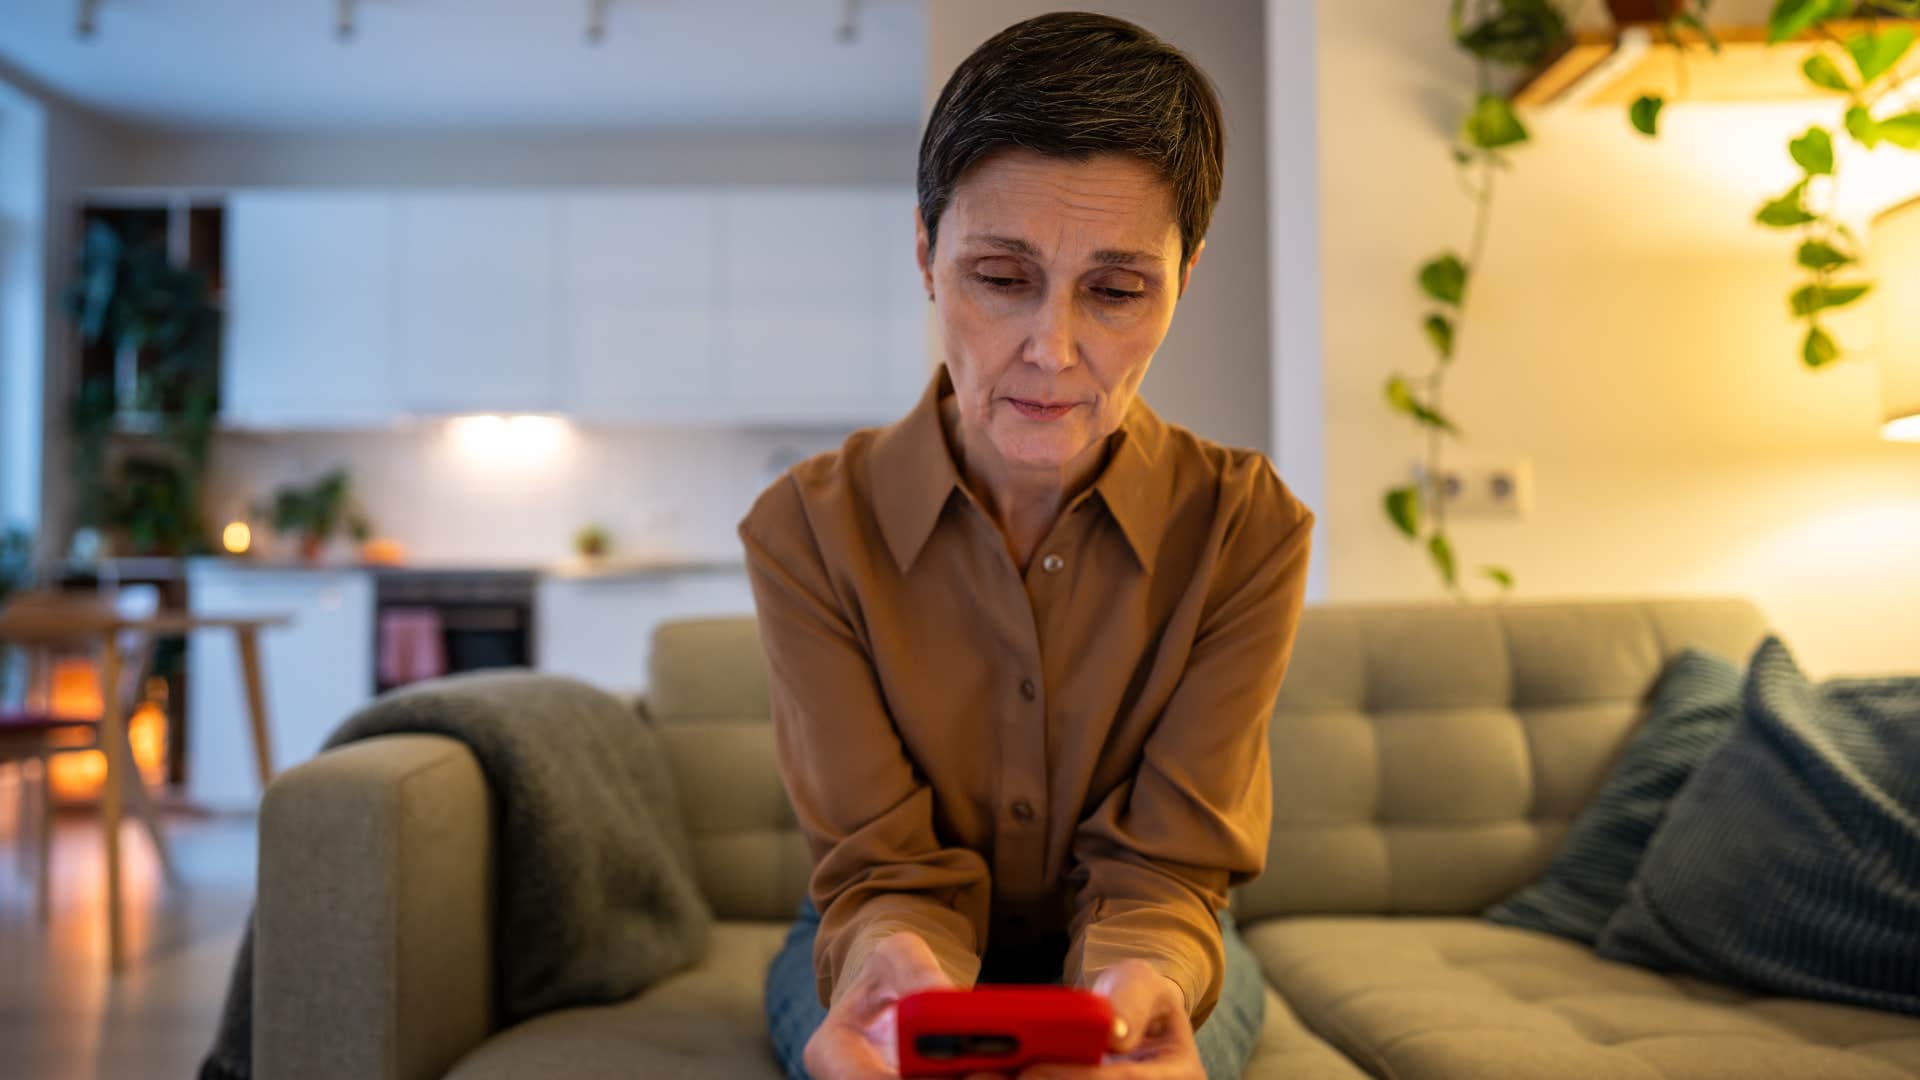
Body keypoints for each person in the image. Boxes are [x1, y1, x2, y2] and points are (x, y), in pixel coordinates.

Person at [738, 12, 1315, 1080]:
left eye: (1116, 289)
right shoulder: (806, 533)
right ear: (925, 256)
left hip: (1153, 952)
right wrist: (896, 963)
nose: (1050, 351)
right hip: (885, 944)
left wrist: (1133, 985)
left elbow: (1167, 873)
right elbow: (879, 871)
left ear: (1184, 276)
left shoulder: (1249, 529)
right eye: (1000, 279)